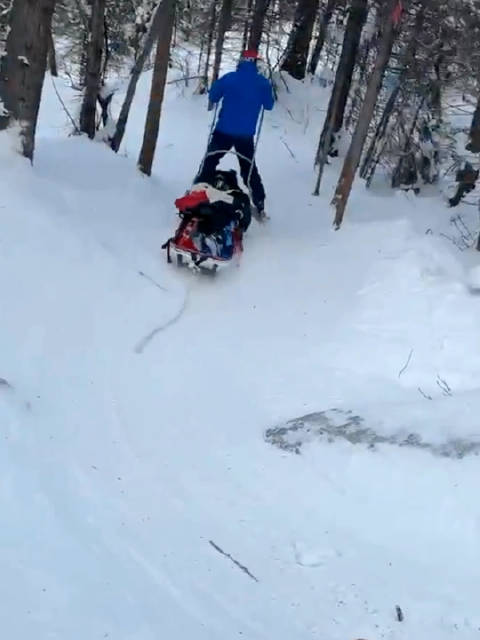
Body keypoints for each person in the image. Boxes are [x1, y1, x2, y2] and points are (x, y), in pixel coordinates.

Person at [195, 49, 274, 221]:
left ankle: (197, 191)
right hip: (245, 135)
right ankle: (259, 204)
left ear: (241, 61)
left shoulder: (229, 78)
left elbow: (214, 95)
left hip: (223, 130)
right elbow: (269, 105)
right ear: (256, 63)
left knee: (210, 160)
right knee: (249, 168)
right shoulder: (262, 83)